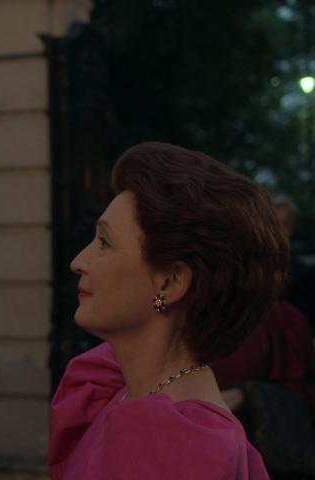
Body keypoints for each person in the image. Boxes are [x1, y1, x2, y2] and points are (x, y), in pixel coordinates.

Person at [49, 142, 284, 479]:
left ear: (170, 282)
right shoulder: (120, 389)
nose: (78, 262)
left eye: (104, 242)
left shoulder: (177, 446)